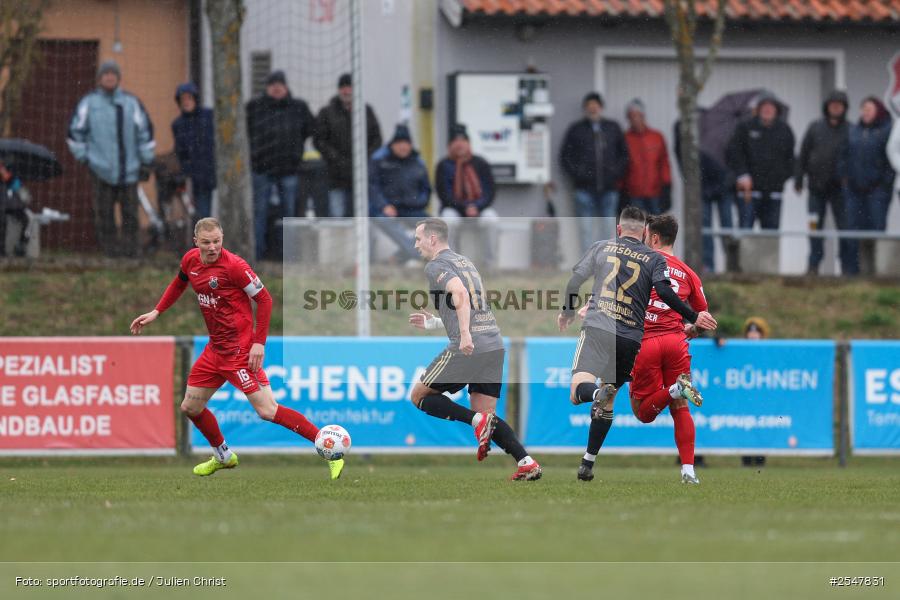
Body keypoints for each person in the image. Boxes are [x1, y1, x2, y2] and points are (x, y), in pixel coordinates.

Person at [129, 217, 344, 480]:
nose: (212, 247)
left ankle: (330, 451)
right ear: (196, 242)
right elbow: (179, 282)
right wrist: (157, 311)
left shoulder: (234, 266)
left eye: (216, 241)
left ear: (222, 240)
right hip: (214, 351)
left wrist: (258, 343)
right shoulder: (190, 261)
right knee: (190, 407)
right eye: (206, 242)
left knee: (267, 410)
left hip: (239, 352)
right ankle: (223, 456)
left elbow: (264, 300)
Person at [558, 206, 717, 482]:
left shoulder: (604, 248)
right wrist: (692, 319)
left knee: (592, 397)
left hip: (626, 335)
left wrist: (572, 309)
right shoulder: (666, 265)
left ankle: (599, 399)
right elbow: (670, 295)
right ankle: (686, 470)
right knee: (674, 407)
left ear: (621, 230)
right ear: (643, 231)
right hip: (648, 339)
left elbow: (579, 281)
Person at [407, 217, 541, 481]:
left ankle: (474, 422)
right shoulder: (465, 261)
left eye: (418, 238)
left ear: (432, 239)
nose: (415, 245)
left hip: (469, 346)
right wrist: (435, 322)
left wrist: (466, 335)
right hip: (492, 342)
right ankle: (526, 462)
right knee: (487, 416)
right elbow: (470, 304)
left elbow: (460, 294)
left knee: (420, 396)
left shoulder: (436, 265)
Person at [623, 215, 714, 484]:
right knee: (680, 407)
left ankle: (675, 388)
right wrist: (692, 330)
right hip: (676, 342)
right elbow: (702, 318)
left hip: (646, 343)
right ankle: (688, 470)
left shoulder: (639, 264)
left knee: (642, 413)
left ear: (653, 238)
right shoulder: (689, 274)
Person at [67, 60, 155, 258]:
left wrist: (146, 161)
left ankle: (132, 253)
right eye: (105, 74)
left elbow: (145, 134)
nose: (109, 77)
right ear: (99, 78)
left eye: (112, 74)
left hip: (130, 171)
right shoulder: (88, 104)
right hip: (101, 170)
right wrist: (86, 159)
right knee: (104, 215)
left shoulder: (132, 103)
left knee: (130, 215)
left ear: (118, 78)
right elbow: (74, 134)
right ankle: (110, 254)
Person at [246, 70, 314, 260]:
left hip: (289, 169)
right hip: (261, 169)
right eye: (273, 85)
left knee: (289, 214)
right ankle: (257, 255)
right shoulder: (254, 107)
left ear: (286, 87)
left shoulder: (298, 107)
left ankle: (288, 256)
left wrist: (295, 150)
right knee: (259, 213)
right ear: (267, 88)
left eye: (280, 85)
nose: (276, 89)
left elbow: (311, 129)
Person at [559, 92, 629, 253]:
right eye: (589, 107)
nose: (593, 109)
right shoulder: (576, 130)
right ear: (585, 109)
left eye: (595, 106)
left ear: (601, 107)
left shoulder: (612, 128)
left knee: (608, 230)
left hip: (609, 189)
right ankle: (588, 265)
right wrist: (578, 174)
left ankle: (606, 263)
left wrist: (615, 174)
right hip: (584, 189)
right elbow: (565, 157)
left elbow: (624, 155)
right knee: (586, 230)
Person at [795, 91, 851, 275]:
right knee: (814, 227)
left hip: (840, 190)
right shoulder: (815, 127)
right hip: (816, 188)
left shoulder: (851, 129)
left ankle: (846, 266)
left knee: (844, 227)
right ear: (827, 106)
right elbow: (803, 154)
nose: (836, 107)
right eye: (832, 104)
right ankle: (813, 265)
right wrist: (798, 179)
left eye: (839, 105)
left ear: (844, 108)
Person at [313, 73, 383, 217]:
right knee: (337, 215)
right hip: (335, 175)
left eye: (349, 87)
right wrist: (335, 158)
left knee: (360, 215)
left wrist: (363, 156)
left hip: (360, 176)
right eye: (343, 87)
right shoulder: (327, 112)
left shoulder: (366, 111)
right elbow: (319, 140)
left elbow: (377, 139)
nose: (346, 91)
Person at [839, 97, 894, 275]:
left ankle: (875, 271)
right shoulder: (853, 130)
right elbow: (843, 156)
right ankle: (853, 271)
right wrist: (845, 179)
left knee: (876, 230)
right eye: (863, 108)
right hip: (854, 191)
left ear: (877, 110)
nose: (865, 112)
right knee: (853, 230)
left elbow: (891, 159)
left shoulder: (887, 130)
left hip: (877, 191)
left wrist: (884, 184)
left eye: (869, 109)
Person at [726, 93, 795, 229]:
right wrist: (742, 175)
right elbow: (734, 153)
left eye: (771, 107)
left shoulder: (784, 130)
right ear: (757, 110)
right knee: (745, 232)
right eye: (764, 107)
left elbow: (791, 158)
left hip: (774, 192)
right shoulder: (745, 128)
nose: (767, 110)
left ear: (777, 110)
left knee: (770, 234)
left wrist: (781, 178)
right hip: (749, 192)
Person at [434, 124, 498, 264]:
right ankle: (451, 264)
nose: (459, 145)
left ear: (469, 144)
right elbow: (444, 195)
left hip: (479, 208)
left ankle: (491, 264)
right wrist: (465, 207)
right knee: (448, 221)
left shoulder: (480, 163)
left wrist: (477, 206)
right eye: (455, 142)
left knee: (491, 220)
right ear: (449, 146)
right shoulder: (444, 165)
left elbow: (490, 191)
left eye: (463, 141)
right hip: (455, 208)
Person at [369, 124, 431, 264]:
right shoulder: (380, 161)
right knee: (385, 220)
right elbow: (372, 187)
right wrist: (384, 205)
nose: (403, 147)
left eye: (406, 143)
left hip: (412, 209)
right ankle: (420, 254)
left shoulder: (417, 163)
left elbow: (426, 190)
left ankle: (399, 257)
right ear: (393, 145)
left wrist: (417, 203)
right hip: (385, 210)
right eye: (399, 143)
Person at [172, 82, 216, 223]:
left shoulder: (209, 116)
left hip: (209, 172)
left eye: (189, 98)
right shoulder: (177, 124)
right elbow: (180, 151)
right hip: (192, 176)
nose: (186, 102)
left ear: (195, 99)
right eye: (182, 99)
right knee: (197, 215)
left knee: (204, 212)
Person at [622, 99, 671, 216]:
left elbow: (663, 163)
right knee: (634, 230)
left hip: (655, 192)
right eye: (632, 116)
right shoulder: (625, 138)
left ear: (643, 116)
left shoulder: (656, 137)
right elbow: (622, 165)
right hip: (633, 193)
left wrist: (667, 187)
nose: (635, 119)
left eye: (638, 115)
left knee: (656, 229)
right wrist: (622, 191)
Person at [741, 316, 771, 467]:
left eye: (757, 332)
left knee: (762, 425)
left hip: (761, 396)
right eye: (750, 332)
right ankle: (745, 460)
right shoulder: (740, 351)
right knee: (745, 424)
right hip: (745, 396)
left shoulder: (768, 352)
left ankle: (760, 459)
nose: (753, 335)